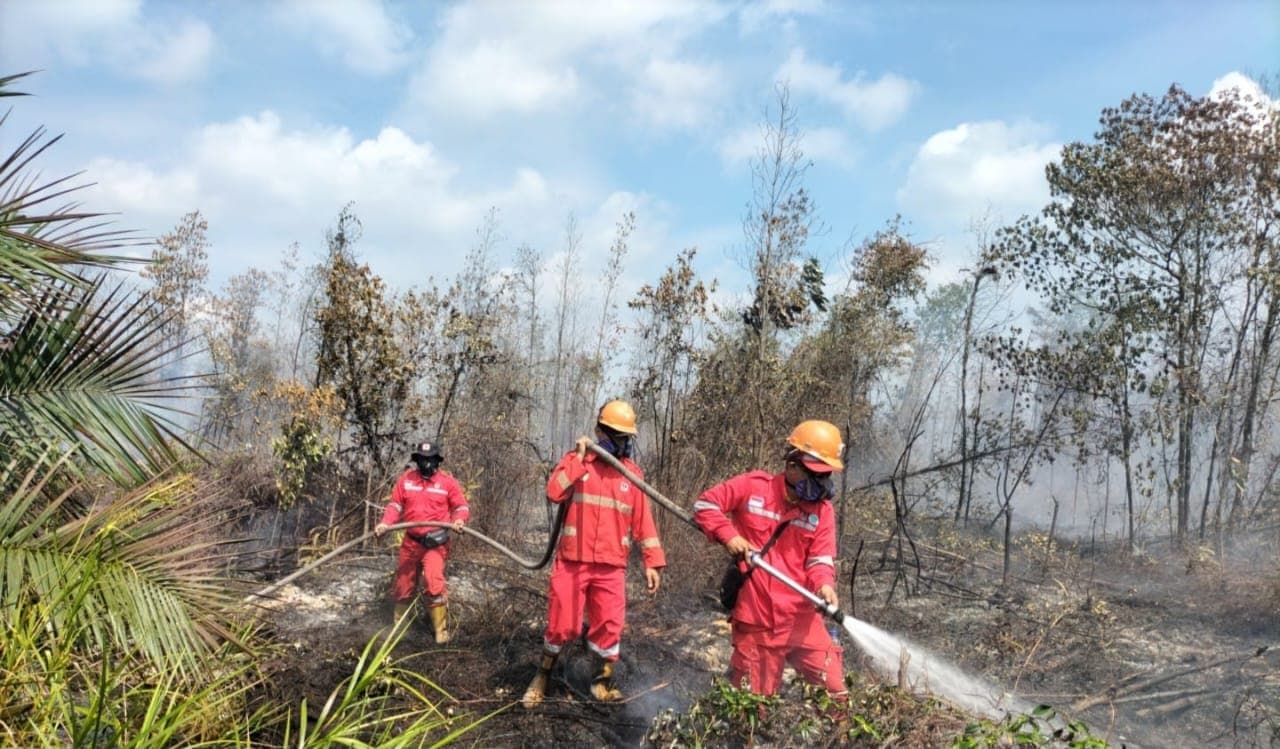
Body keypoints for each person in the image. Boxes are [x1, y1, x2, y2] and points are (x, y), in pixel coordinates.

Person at [521, 400, 667, 708]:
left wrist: (653, 562)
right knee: (562, 625)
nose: (622, 442)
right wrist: (580, 460)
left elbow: (644, 522)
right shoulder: (577, 463)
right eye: (615, 434)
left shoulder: (632, 475)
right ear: (600, 431)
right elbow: (553, 492)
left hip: (611, 567)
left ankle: (601, 681)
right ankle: (543, 675)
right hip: (573, 562)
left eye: (626, 436)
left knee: (609, 623)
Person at [692, 419, 848, 701]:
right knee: (754, 707)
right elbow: (705, 505)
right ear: (792, 465)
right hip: (757, 619)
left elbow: (820, 559)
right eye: (816, 475)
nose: (822, 484)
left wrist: (825, 585)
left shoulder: (822, 511)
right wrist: (728, 535)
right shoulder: (754, 487)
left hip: (802, 619)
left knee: (836, 692)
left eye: (826, 476)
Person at [375, 439, 470, 644]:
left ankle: (441, 631)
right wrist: (385, 523)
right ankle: (400, 630)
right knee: (403, 584)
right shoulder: (406, 480)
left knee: (433, 582)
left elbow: (461, 507)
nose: (426, 464)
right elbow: (395, 506)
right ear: (416, 460)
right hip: (411, 542)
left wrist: (459, 520)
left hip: (436, 544)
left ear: (437, 461)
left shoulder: (447, 483)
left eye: (430, 460)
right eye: (422, 460)